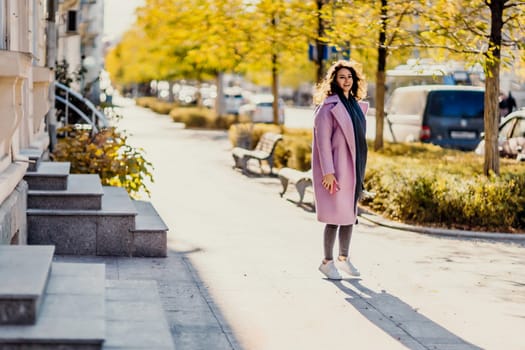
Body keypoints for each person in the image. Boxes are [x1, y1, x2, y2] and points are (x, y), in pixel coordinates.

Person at [312, 60, 369, 280]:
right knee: (334, 216)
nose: (346, 81)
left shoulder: (356, 105)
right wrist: (328, 171)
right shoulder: (327, 107)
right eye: (342, 77)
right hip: (337, 169)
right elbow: (322, 141)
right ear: (334, 80)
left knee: (350, 214)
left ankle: (344, 259)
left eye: (350, 77)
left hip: (354, 167)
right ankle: (327, 262)